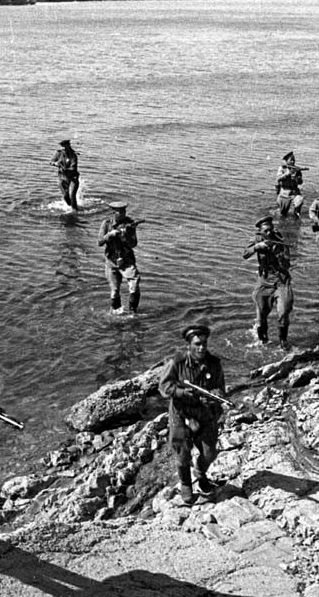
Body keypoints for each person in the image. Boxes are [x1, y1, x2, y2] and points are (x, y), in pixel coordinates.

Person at [157, 324, 226, 506]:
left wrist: (216, 395)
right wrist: (180, 392)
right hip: (181, 413)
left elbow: (220, 387)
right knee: (182, 454)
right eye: (197, 344)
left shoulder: (214, 363)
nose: (201, 348)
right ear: (189, 345)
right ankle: (186, 483)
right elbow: (164, 387)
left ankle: (200, 472)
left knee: (210, 453)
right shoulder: (176, 363)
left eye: (204, 343)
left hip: (205, 413)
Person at [242, 215, 294, 347]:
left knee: (284, 311)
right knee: (261, 314)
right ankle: (263, 341)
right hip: (264, 280)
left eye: (271, 229)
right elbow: (245, 254)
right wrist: (257, 247)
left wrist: (280, 257)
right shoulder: (257, 239)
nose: (269, 233)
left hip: (281, 281)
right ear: (260, 232)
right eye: (266, 231)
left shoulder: (280, 240)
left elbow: (287, 263)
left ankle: (283, 341)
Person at [98, 201, 141, 314]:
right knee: (114, 290)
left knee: (134, 284)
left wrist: (126, 235)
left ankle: (133, 312)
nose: (122, 214)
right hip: (111, 260)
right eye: (119, 212)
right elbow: (100, 242)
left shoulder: (130, 224)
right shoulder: (106, 224)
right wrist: (110, 235)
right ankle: (117, 312)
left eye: (124, 211)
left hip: (126, 259)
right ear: (113, 212)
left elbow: (133, 244)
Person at [50, 139, 80, 211]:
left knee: (72, 195)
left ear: (68, 146)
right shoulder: (58, 153)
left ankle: (75, 211)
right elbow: (51, 162)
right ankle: (70, 206)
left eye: (65, 147)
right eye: (62, 147)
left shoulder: (73, 155)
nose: (63, 149)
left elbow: (73, 168)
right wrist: (55, 163)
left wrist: (65, 169)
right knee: (65, 196)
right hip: (62, 177)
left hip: (73, 178)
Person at [275, 152, 305, 218]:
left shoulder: (297, 169)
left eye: (294, 160)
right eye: (291, 160)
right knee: (282, 215)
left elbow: (300, 182)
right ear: (286, 161)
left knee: (299, 202)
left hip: (294, 192)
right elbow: (278, 179)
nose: (293, 161)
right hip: (284, 193)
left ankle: (296, 218)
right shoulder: (282, 168)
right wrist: (288, 173)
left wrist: (297, 178)